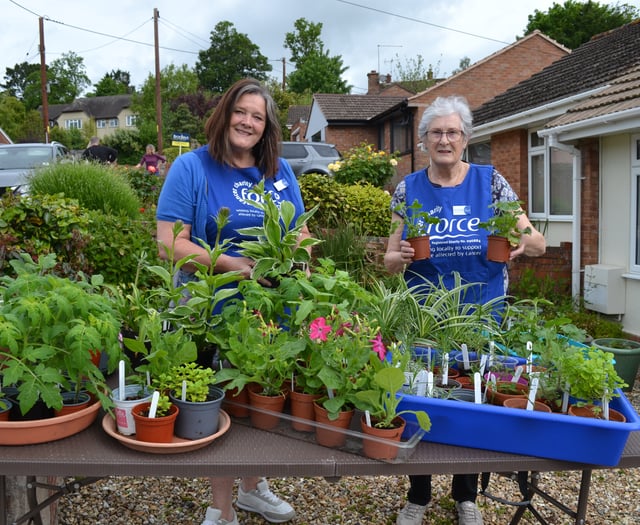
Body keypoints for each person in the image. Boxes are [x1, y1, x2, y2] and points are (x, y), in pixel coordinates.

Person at [384, 95, 546, 525]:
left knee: (475, 403)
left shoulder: (491, 183)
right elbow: (388, 260)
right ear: (423, 141)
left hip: (482, 318)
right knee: (424, 401)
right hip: (424, 320)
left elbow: (538, 241)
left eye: (452, 131)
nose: (444, 139)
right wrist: (400, 254)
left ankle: (465, 495)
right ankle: (418, 493)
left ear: (466, 138)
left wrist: (519, 244)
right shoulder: (408, 189)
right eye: (435, 132)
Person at [156, 78, 307, 525]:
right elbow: (168, 243)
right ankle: (220, 508)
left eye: (257, 116)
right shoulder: (192, 167)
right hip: (209, 307)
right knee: (218, 401)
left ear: (266, 127)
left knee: (259, 394)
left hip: (268, 306)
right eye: (241, 111)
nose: (247, 122)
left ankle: (252, 487)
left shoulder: (278, 172)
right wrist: (233, 265)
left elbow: (300, 233)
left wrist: (298, 262)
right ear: (225, 114)